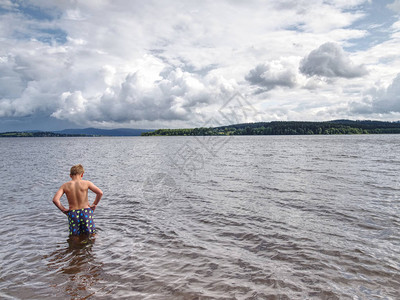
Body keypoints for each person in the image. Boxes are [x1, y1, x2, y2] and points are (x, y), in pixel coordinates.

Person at [53, 164, 103, 236]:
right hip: (86, 212)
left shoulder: (65, 185)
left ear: (70, 175)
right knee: (91, 233)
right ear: (82, 174)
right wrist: (94, 204)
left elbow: (55, 200)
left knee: (75, 235)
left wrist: (63, 210)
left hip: (73, 213)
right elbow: (100, 193)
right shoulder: (86, 183)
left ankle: (74, 246)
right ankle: (93, 246)